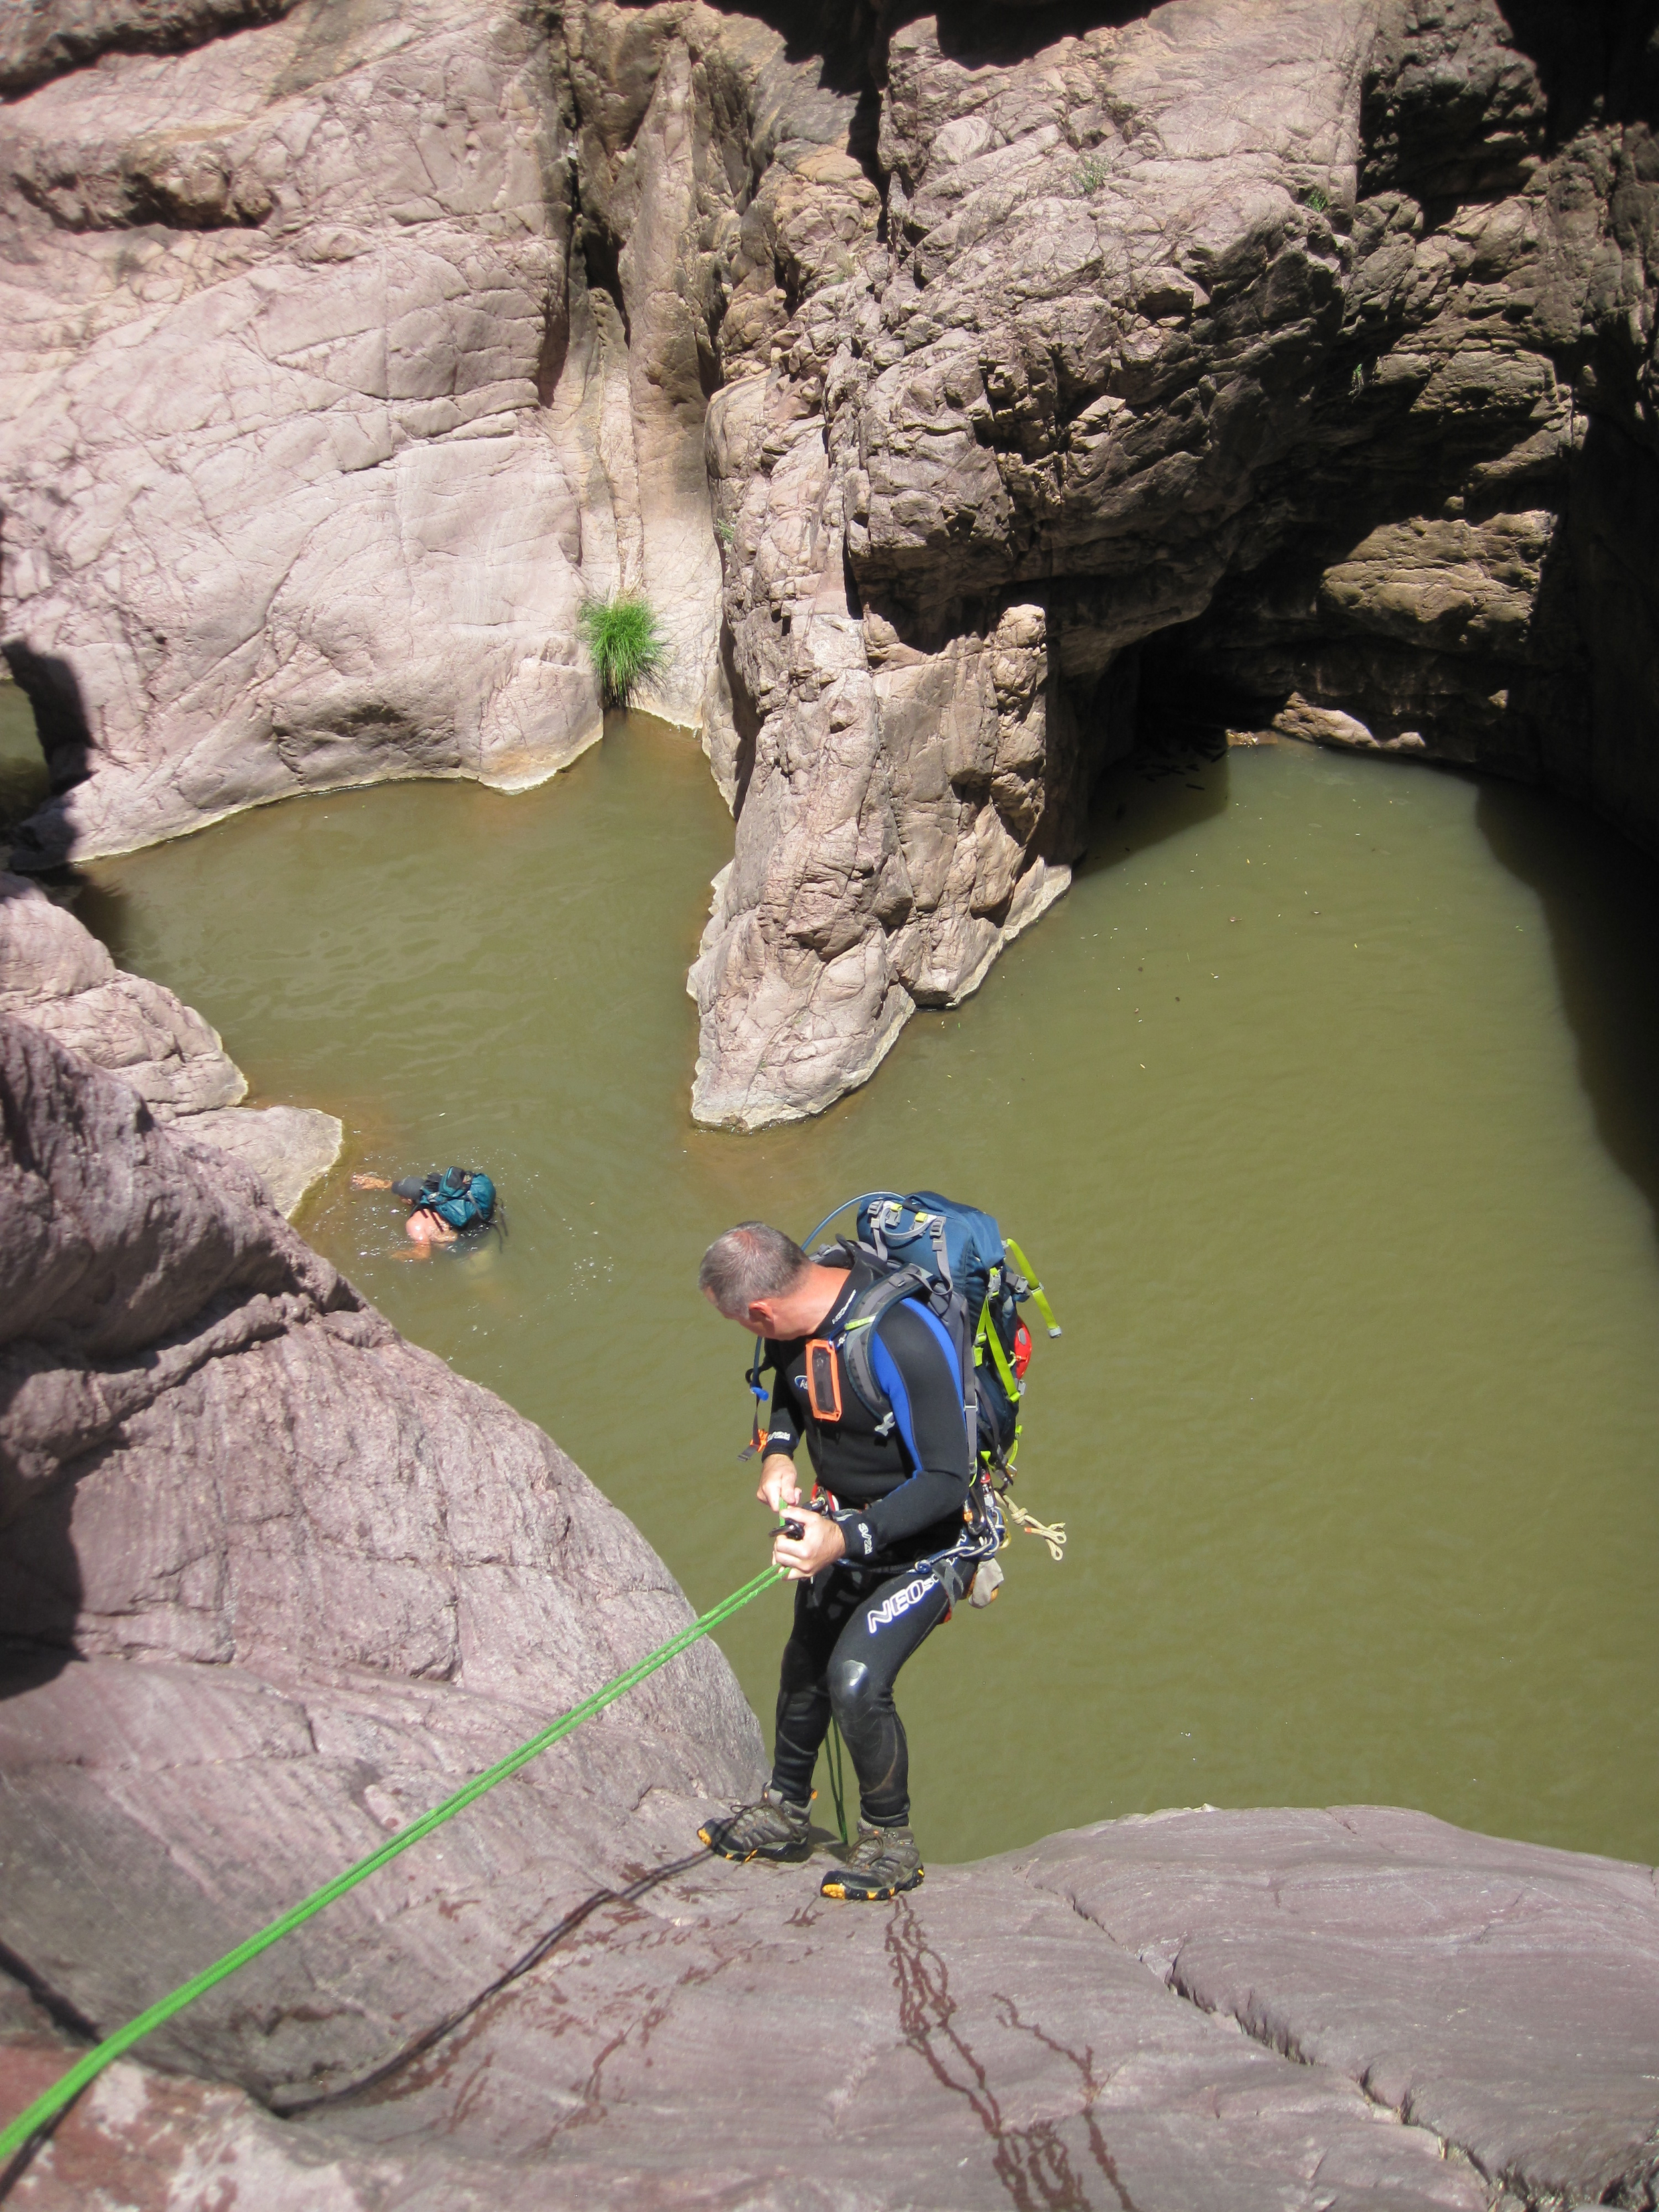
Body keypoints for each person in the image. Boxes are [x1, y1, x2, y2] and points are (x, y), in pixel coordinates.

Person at [696, 1219, 974, 1901]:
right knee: (803, 1667)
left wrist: (841, 1541)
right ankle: (787, 1810)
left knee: (854, 1678)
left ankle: (889, 1844)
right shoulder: (796, 1319)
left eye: (741, 1323)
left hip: (930, 1543)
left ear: (760, 1309)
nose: (750, 1335)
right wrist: (778, 1455)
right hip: (843, 1527)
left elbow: (947, 1481)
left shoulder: (899, 1338)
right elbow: (789, 1393)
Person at [352, 1165, 496, 1256]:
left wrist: (396, 1254)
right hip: (482, 1227)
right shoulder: (440, 1190)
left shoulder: (416, 1223)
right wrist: (379, 1184)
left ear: (408, 1201)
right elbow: (408, 1187)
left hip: (465, 1251)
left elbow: (423, 1254)